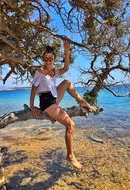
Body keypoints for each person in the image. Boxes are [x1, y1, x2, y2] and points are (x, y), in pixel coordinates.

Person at [30, 40, 95, 169]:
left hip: (54, 99)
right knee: (71, 125)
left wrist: (66, 50)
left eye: (51, 58)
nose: (48, 61)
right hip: (46, 102)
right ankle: (70, 155)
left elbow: (66, 68)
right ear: (43, 59)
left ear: (54, 59)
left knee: (66, 82)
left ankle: (81, 101)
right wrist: (31, 106)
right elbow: (33, 88)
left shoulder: (54, 71)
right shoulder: (40, 71)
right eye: (46, 59)